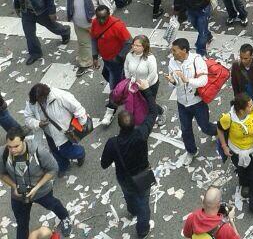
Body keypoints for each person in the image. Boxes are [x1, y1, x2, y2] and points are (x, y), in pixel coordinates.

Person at [100, 99, 158, 239]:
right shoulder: (141, 133)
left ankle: (132, 210)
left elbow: (104, 164)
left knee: (129, 195)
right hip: (142, 176)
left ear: (119, 125)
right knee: (144, 204)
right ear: (134, 123)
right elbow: (153, 113)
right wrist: (146, 91)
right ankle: (142, 230)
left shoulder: (113, 143)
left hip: (124, 177)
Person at [0, 125, 71, 239]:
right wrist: (14, 186)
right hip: (18, 195)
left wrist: (36, 187)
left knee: (53, 204)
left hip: (41, 190)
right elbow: (2, 174)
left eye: (16, 146)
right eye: (10, 147)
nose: (12, 150)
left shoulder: (39, 151)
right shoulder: (3, 153)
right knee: (22, 222)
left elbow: (53, 169)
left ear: (23, 141)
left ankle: (65, 217)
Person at [165, 37, 218, 164]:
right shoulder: (172, 62)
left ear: (184, 50)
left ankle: (219, 131)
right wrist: (172, 82)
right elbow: (174, 84)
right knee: (185, 129)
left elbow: (203, 81)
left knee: (205, 127)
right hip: (182, 102)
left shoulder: (197, 60)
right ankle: (191, 151)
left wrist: (187, 80)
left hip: (197, 102)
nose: (172, 53)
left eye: (175, 50)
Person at [217, 93, 253, 222]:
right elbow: (220, 129)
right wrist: (224, 146)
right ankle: (244, 184)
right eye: (249, 106)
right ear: (240, 110)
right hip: (237, 151)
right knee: (242, 171)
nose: (252, 108)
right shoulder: (228, 119)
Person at [12, 0, 70, 65]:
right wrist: (17, 7)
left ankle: (65, 31)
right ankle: (35, 53)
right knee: (29, 34)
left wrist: (52, 11)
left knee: (53, 27)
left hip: (41, 10)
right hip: (27, 12)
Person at [23, 83, 88, 175]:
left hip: (65, 131)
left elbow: (77, 108)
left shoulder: (59, 96)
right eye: (37, 101)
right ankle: (63, 166)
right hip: (48, 132)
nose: (39, 102)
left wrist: (82, 124)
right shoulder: (33, 102)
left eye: (40, 100)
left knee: (65, 151)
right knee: (54, 150)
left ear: (45, 95)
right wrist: (38, 123)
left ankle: (80, 152)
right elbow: (28, 118)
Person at [91, 4, 131, 127]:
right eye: (99, 18)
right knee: (105, 74)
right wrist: (95, 57)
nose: (101, 21)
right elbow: (94, 39)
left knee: (114, 88)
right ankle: (124, 89)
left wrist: (118, 57)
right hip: (106, 59)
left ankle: (110, 112)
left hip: (116, 63)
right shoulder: (95, 23)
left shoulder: (118, 26)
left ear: (109, 15)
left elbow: (129, 41)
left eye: (104, 18)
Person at [66, 0, 113, 77]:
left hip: (95, 25)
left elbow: (107, 6)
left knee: (101, 42)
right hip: (79, 24)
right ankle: (85, 63)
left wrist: (101, 22)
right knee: (83, 44)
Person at [124, 34, 163, 118]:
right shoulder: (129, 55)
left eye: (138, 45)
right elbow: (126, 68)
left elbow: (152, 73)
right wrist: (129, 80)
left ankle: (159, 112)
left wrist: (145, 84)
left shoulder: (150, 58)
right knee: (139, 102)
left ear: (144, 47)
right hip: (135, 84)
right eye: (134, 45)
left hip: (150, 85)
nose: (135, 47)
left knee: (149, 102)